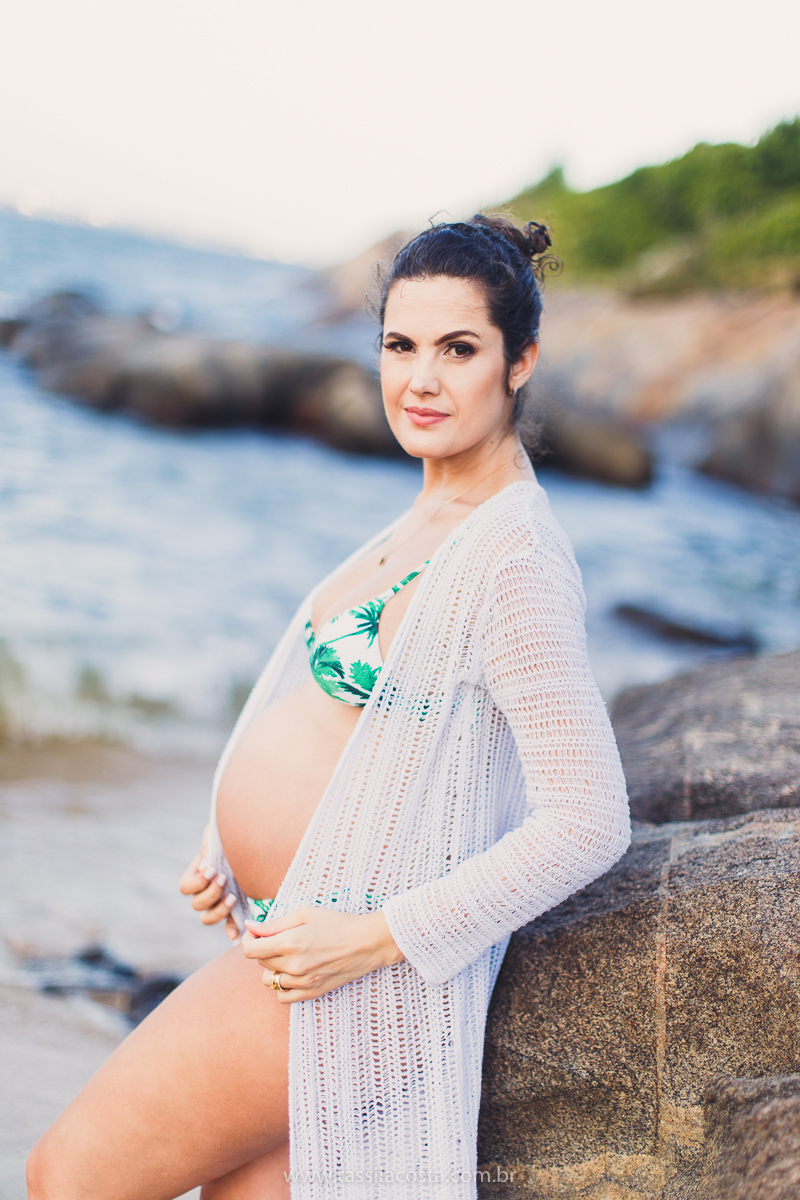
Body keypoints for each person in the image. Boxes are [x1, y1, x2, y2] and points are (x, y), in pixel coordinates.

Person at [27, 215, 631, 1200]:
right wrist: (225, 837)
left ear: (518, 363)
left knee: (65, 1177)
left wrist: (376, 935)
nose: (419, 379)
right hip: (298, 942)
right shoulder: (435, 510)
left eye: (457, 349)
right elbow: (327, 709)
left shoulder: (513, 561)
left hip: (348, 974)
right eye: (399, 345)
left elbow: (587, 819)